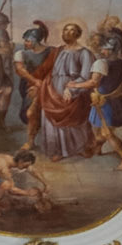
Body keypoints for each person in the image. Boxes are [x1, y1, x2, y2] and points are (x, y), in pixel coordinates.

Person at [72, 27, 122, 169]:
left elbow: (93, 83)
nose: (101, 50)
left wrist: (75, 85)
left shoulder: (101, 63)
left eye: (104, 49)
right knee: (100, 131)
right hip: (117, 102)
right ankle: (97, 149)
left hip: (105, 103)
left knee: (107, 133)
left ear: (111, 50)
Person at [34, 22, 94, 160]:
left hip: (74, 89)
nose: (67, 32)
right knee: (52, 120)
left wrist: (71, 89)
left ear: (77, 34)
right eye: (65, 30)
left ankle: (80, 147)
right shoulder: (58, 50)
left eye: (71, 30)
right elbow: (45, 69)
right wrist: (35, 83)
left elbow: (86, 76)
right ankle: (58, 150)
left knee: (73, 119)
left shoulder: (84, 53)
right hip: (52, 89)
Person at [0, 146, 53, 221]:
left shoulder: (12, 160)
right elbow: (11, 189)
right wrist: (28, 193)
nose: (26, 167)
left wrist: (46, 183)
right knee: (6, 186)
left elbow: (33, 170)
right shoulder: (3, 167)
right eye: (26, 165)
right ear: (21, 161)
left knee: (6, 206)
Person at [15, 23, 55, 141]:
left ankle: (37, 139)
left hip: (48, 85)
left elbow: (56, 70)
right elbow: (20, 70)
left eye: (27, 41)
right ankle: (33, 138)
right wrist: (35, 82)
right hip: (28, 85)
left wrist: (42, 85)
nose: (25, 43)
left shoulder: (51, 52)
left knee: (38, 111)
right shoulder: (21, 53)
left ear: (35, 41)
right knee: (29, 111)